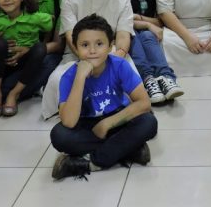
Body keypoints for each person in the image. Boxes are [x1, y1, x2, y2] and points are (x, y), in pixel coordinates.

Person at [50, 14, 158, 180]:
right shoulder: (69, 76)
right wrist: (80, 77)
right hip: (87, 125)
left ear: (110, 46)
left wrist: (107, 123)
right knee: (59, 136)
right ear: (76, 48)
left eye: (99, 44)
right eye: (85, 45)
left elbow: (144, 103)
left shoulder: (119, 65)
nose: (92, 51)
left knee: (149, 122)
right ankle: (129, 150)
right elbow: (69, 122)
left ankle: (91, 162)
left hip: (117, 120)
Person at [41, 0, 135, 119]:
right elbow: (71, 36)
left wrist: (111, 62)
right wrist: (89, 62)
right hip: (77, 56)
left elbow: (123, 37)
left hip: (112, 56)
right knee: (57, 79)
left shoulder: (123, 0)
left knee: (129, 81)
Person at [120, 0, 184, 104]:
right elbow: (121, 20)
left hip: (141, 29)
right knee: (135, 35)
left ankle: (166, 78)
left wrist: (141, 19)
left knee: (148, 35)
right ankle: (148, 80)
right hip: (124, 29)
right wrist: (147, 24)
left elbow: (160, 20)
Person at [11, 0, 67, 100]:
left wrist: (29, 51)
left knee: (50, 62)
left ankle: (11, 93)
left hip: (43, 53)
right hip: (14, 51)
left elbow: (59, 44)